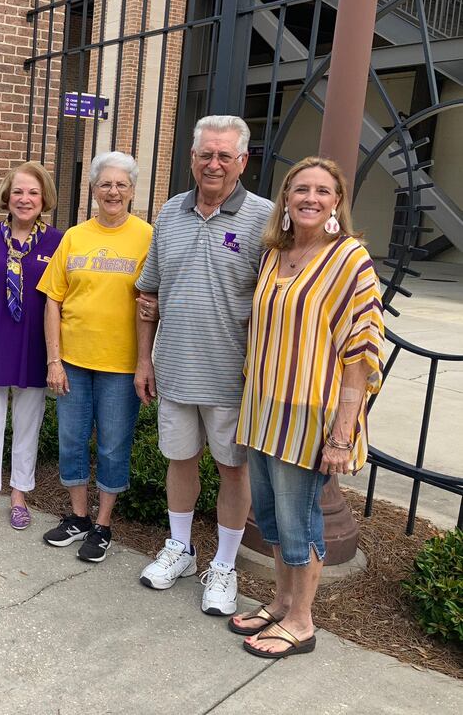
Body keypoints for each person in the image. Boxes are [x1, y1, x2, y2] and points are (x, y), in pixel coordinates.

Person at [232, 157, 384, 658]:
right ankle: (280, 602)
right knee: (271, 516)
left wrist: (341, 435)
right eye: (301, 189)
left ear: (337, 201)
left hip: (310, 418)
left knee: (300, 521)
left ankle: (301, 621)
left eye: (323, 191)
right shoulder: (274, 253)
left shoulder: (350, 259)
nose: (311, 198)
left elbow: (361, 353)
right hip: (262, 410)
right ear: (286, 199)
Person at [134, 115, 273, 615]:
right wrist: (143, 360)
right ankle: (181, 550)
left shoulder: (266, 218)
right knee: (180, 462)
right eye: (204, 154)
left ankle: (226, 565)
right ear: (192, 159)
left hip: (233, 380)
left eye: (224, 155)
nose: (213, 163)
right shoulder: (170, 213)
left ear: (242, 161)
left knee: (233, 471)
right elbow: (148, 291)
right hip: (173, 370)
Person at [37, 151, 153, 563]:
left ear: (133, 191)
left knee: (112, 446)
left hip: (120, 367)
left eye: (121, 184)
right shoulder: (75, 236)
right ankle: (79, 517)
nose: (113, 191)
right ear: (93, 190)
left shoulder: (147, 237)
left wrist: (145, 362)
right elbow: (53, 299)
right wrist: (54, 360)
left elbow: (151, 302)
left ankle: (103, 524)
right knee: (70, 440)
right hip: (73, 361)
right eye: (105, 184)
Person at [0, 162, 63, 530]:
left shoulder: (57, 242)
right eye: (18, 191)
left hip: (35, 347)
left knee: (27, 425)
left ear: (44, 198)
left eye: (33, 192)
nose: (25, 199)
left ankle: (19, 494)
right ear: (7, 195)